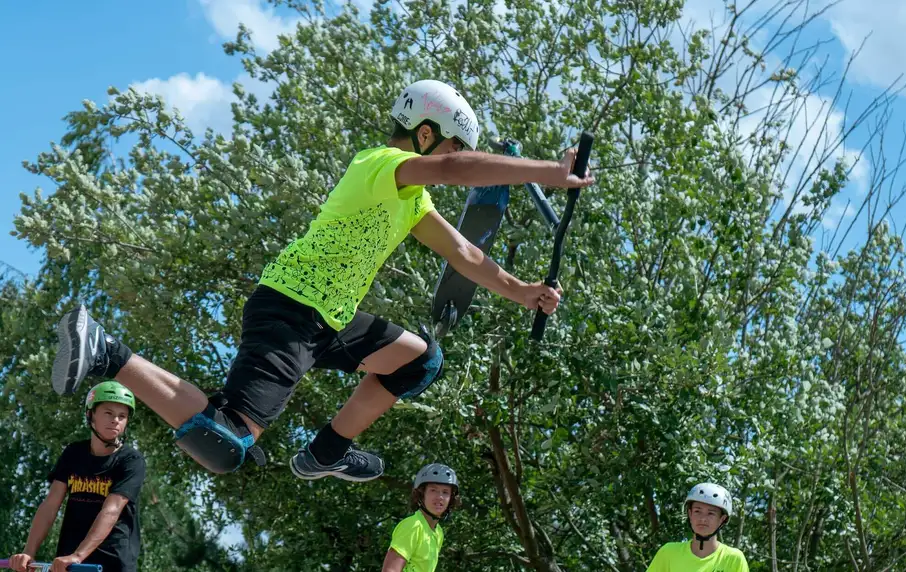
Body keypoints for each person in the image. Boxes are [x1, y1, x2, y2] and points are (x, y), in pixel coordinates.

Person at [49, 78, 593, 481]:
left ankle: (328, 451)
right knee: (228, 443)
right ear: (425, 135)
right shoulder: (381, 165)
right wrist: (548, 170)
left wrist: (524, 293)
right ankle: (107, 352)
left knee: (419, 359)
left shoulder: (412, 202)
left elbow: (466, 255)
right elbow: (457, 171)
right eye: (452, 146)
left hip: (329, 320)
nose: (456, 160)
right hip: (290, 309)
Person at [8, 382, 146, 572]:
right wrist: (29, 552)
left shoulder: (131, 461)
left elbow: (111, 510)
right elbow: (51, 504)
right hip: (68, 562)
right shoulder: (73, 453)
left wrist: (78, 556)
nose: (115, 420)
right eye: (108, 413)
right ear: (90, 415)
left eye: (122, 416)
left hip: (111, 563)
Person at [647, 482, 749, 572]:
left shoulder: (734, 559)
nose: (703, 519)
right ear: (690, 514)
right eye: (697, 511)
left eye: (711, 513)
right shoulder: (668, 553)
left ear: (722, 519)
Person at [382, 463, 459, 572]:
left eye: (445, 492)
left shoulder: (438, 532)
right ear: (421, 494)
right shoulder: (413, 526)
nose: (440, 497)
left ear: (451, 498)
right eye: (433, 490)